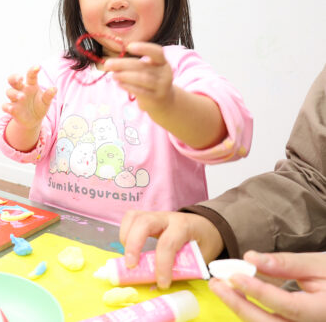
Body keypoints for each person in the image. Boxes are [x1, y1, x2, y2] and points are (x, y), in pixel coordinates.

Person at [0, 0, 253, 225]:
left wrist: (169, 103)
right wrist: (27, 123)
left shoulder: (175, 68)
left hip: (152, 243)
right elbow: (23, 149)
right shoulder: (59, 72)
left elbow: (231, 133)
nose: (117, 1)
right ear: (77, 3)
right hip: (59, 236)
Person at [119, 64, 326, 320]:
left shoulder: (183, 70)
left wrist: (171, 103)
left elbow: (227, 133)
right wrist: (218, 225)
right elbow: (315, 178)